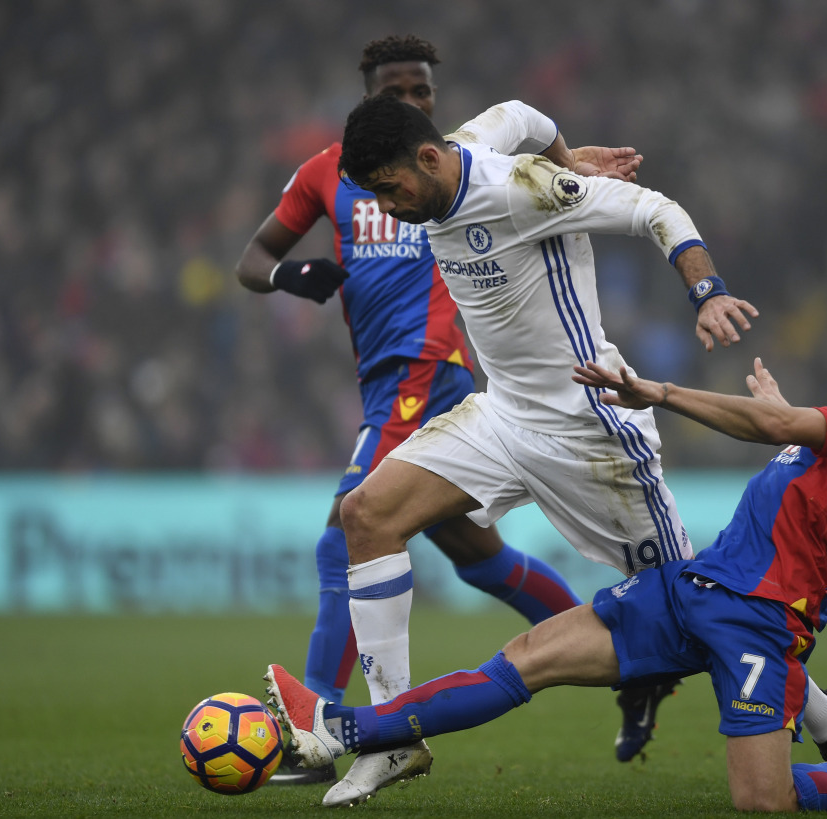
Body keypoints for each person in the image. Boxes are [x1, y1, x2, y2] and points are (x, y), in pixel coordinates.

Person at [265, 270, 827, 811]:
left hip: (760, 616)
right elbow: (798, 437)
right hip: (694, 586)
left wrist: (663, 394)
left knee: (762, 800)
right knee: (528, 656)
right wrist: (784, 415)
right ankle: (339, 728)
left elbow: (784, 431)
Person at [290, 90, 761, 807]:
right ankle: (393, 735)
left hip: (591, 430)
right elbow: (525, 112)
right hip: (502, 416)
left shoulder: (518, 189)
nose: (389, 207)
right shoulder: (470, 142)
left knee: (694, 611)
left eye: (390, 190)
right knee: (367, 514)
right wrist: (568, 154)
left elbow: (654, 209)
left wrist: (707, 293)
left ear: (424, 158)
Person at [234, 35, 635, 786]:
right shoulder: (329, 174)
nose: (415, 104)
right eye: (398, 91)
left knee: (345, 530)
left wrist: (569, 162)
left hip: (432, 371)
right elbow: (250, 260)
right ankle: (620, 655)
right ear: (366, 92)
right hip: (382, 380)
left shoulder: (451, 165)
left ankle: (318, 727)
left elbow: (535, 167)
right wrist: (294, 272)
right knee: (479, 558)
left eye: (423, 92)